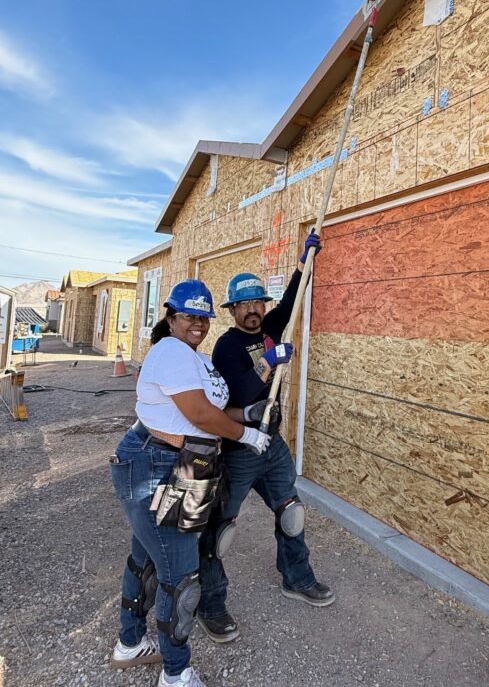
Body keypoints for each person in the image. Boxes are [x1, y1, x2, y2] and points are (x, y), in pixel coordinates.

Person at [109, 279, 270, 687]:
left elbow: (212, 407)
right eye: (188, 316)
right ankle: (176, 673)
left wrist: (246, 414)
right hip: (154, 462)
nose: (197, 324)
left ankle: (129, 644)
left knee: (146, 557)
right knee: (181, 574)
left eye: (203, 317)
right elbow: (198, 413)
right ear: (171, 317)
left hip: (188, 463)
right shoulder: (170, 352)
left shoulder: (193, 357)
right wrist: (246, 435)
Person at [197, 232, 334, 645]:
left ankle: (298, 578)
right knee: (220, 530)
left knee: (290, 513)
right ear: (233, 309)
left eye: (259, 302)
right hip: (240, 447)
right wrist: (266, 364)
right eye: (245, 305)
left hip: (270, 443)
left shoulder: (271, 325)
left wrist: (303, 263)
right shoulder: (226, 346)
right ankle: (211, 604)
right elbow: (237, 394)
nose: (254, 310)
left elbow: (291, 302)